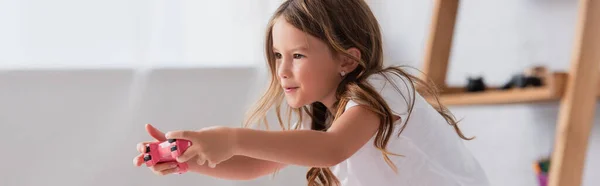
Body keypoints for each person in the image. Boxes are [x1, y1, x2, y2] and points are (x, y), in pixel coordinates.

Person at [133, 0, 490, 185]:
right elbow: (255, 166)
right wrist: (191, 160)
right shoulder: (325, 118)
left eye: (298, 55)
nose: (282, 70)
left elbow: (332, 149)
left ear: (347, 61)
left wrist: (231, 137)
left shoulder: (383, 89)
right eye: (277, 56)